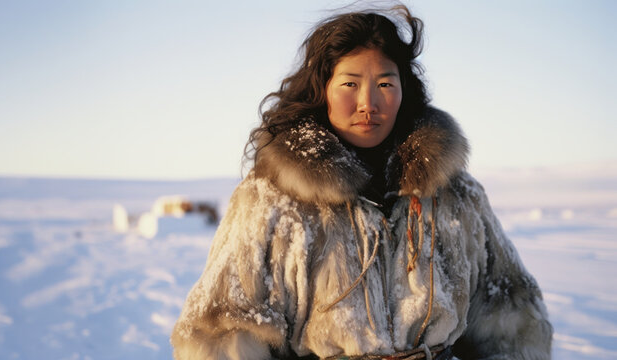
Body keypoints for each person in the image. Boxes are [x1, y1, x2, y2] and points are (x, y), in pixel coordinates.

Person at [171, 5, 552, 360]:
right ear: (322, 91)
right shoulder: (270, 200)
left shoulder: (455, 195)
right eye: (350, 84)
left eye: (385, 84)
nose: (368, 103)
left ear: (404, 92)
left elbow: (511, 319)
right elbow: (220, 334)